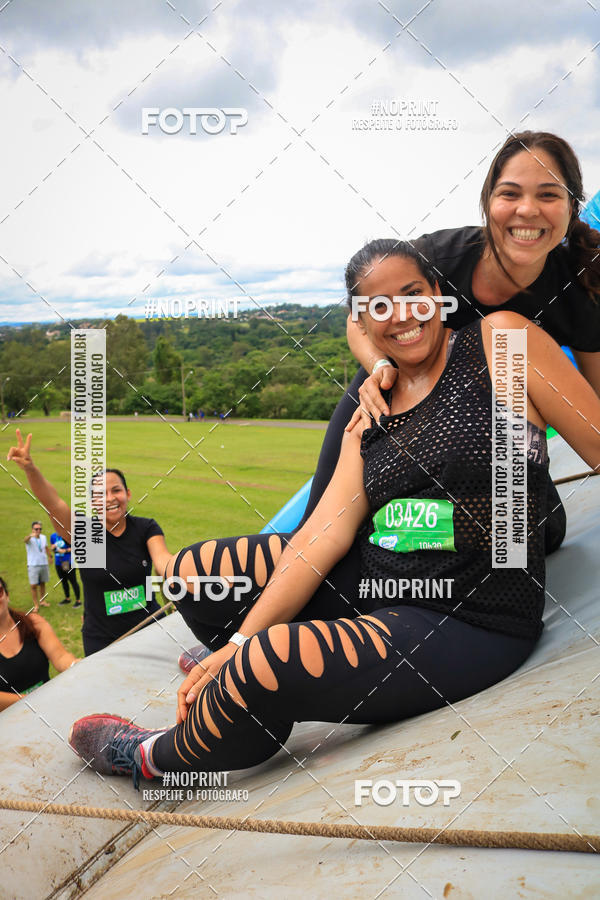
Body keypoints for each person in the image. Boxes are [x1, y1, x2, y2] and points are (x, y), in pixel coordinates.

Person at [67, 240, 600, 786]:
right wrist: (235, 643)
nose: (401, 315)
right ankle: (244, 675)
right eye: (378, 305)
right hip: (379, 580)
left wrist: (252, 652)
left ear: (438, 295)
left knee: (266, 662)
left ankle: (153, 755)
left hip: (469, 614)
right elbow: (322, 534)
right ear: (361, 322)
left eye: (412, 294)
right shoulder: (373, 406)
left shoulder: (500, 343)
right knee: (191, 575)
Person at [300, 131, 600, 553]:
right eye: (510, 193)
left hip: (483, 436)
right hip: (398, 398)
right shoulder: (438, 257)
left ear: (572, 207)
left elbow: (594, 420)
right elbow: (360, 317)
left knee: (538, 530)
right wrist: (378, 367)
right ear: (487, 202)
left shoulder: (575, 296)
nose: (527, 210)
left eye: (548, 195)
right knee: (322, 526)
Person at [5, 445, 173, 656]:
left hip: (150, 630)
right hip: (103, 641)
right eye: (101, 494)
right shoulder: (86, 535)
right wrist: (30, 469)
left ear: (128, 494)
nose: (110, 498)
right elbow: (53, 503)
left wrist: (180, 572)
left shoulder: (145, 528)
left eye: (116, 490)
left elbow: (163, 560)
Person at [0, 576, 78, 711]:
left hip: (49, 710)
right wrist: (31, 701)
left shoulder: (34, 624)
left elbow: (60, 657)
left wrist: (76, 665)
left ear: (7, 595)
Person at [24, 521, 52, 612]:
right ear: (32, 529)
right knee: (33, 585)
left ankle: (42, 601)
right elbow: (25, 540)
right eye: (36, 529)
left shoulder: (43, 537)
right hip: (33, 565)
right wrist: (30, 536)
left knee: (43, 583)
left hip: (43, 563)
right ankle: (36, 605)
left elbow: (46, 547)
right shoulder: (30, 539)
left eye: (40, 529)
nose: (38, 530)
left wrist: (50, 556)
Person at [50, 532, 81, 607]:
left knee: (73, 581)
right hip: (58, 563)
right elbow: (52, 548)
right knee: (63, 581)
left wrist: (65, 551)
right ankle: (67, 599)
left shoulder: (67, 535)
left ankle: (78, 601)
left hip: (67, 562)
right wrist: (53, 548)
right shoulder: (53, 536)